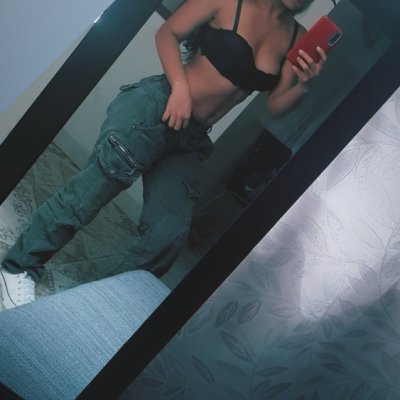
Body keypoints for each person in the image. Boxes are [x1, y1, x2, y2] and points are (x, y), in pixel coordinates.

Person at [0, 0, 326, 309]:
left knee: (166, 237)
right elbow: (167, 33)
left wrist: (303, 85)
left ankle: (93, 306)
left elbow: (274, 105)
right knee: (87, 195)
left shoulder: (296, 36)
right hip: (159, 106)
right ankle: (17, 267)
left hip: (193, 138)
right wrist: (180, 88)